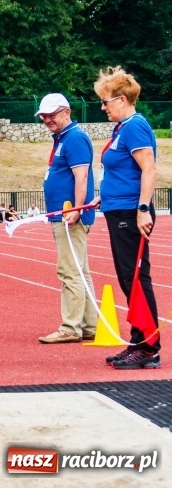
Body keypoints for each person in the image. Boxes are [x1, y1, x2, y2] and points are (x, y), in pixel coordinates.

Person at [94, 66, 161, 369]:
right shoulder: (122, 128)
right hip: (118, 207)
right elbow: (122, 171)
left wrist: (143, 209)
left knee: (135, 278)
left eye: (105, 101)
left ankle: (149, 347)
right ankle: (138, 341)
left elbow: (149, 168)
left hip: (130, 212)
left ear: (121, 99)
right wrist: (103, 196)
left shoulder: (134, 126)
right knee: (127, 278)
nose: (102, 106)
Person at [34, 93, 98, 345]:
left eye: (51, 114)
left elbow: (81, 176)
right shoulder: (63, 138)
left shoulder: (74, 138)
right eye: (44, 116)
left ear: (67, 112)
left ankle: (71, 327)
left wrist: (76, 209)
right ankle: (88, 325)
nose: (47, 119)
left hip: (69, 214)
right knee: (79, 271)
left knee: (69, 270)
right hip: (64, 213)